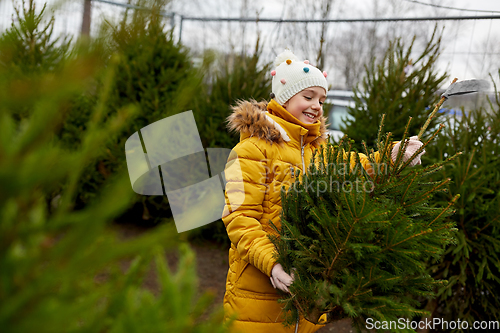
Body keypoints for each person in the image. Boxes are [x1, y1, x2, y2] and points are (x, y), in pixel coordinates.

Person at [221, 49, 424, 333]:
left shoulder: (319, 152)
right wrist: (273, 265)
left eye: (321, 99)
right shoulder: (251, 150)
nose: (317, 106)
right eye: (308, 96)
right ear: (285, 97)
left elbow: (354, 166)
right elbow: (239, 218)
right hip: (257, 294)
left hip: (306, 295)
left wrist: (392, 156)